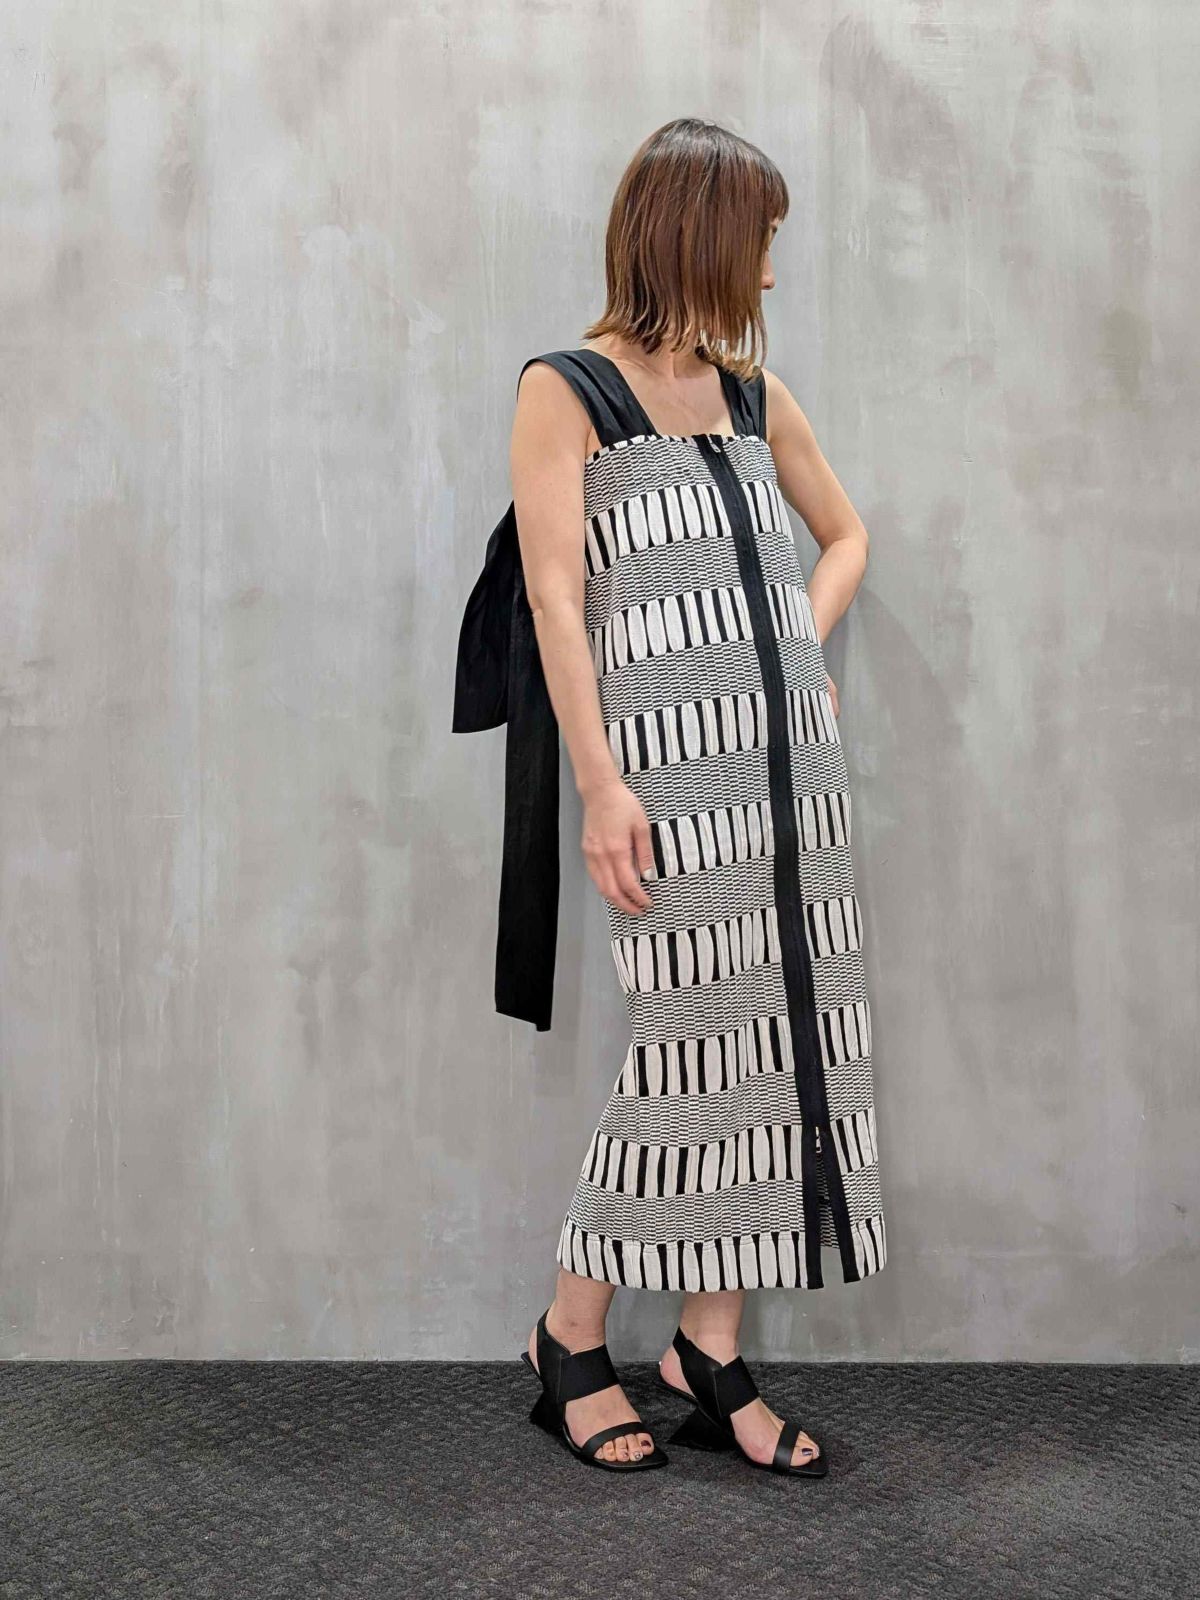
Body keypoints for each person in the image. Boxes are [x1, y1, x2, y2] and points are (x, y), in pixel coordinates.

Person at [507, 118, 887, 1477]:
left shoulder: (754, 396)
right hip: (664, 784)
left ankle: (704, 1351)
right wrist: (601, 784)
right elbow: (556, 598)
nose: (770, 274)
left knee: (780, 1050)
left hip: (793, 780)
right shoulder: (567, 393)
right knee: (687, 1051)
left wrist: (797, 645)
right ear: (700, 238)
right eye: (760, 243)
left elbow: (845, 538)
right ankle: (570, 1335)